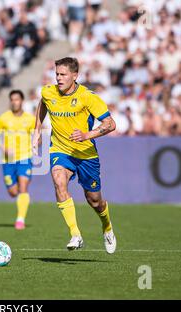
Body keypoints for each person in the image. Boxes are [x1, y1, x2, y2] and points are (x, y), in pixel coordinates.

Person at [32, 57, 117, 253]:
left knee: (94, 200)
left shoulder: (88, 97)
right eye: (57, 74)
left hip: (86, 154)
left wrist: (88, 134)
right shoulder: (48, 92)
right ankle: (75, 234)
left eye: (63, 75)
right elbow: (43, 105)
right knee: (58, 180)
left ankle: (107, 226)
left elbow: (111, 124)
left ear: (74, 75)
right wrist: (37, 131)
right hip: (60, 149)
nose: (59, 78)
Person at [0, 90, 36, 230]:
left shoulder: (30, 119)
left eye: (17, 99)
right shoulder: (4, 118)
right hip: (8, 160)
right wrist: (3, 148)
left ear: (22, 101)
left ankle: (20, 219)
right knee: (13, 192)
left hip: (25, 157)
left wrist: (36, 144)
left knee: (23, 188)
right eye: (12, 99)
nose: (14, 102)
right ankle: (20, 200)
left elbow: (38, 136)